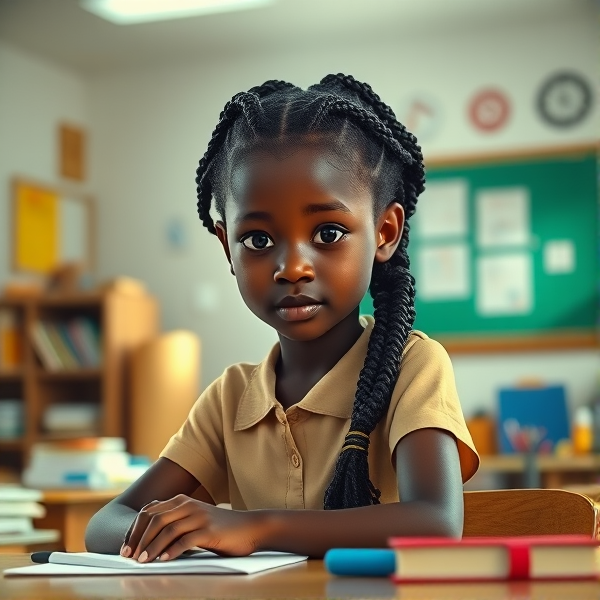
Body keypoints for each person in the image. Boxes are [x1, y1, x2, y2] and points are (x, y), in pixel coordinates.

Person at [85, 74, 479, 561]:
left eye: (329, 232)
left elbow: (435, 523)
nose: (292, 266)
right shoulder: (230, 400)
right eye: (257, 240)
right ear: (226, 246)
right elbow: (106, 524)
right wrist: (184, 534)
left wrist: (253, 529)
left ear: (385, 232)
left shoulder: (412, 368)